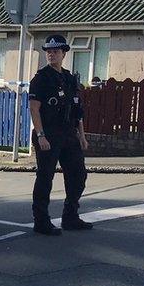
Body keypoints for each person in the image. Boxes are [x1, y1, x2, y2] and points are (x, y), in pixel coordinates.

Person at [28, 35, 92, 236]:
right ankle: (41, 221)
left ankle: (70, 216)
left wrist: (81, 136)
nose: (51, 54)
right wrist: (40, 135)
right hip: (49, 134)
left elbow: (77, 110)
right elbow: (34, 108)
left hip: (68, 134)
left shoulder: (69, 78)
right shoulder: (41, 79)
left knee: (78, 175)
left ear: (64, 53)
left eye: (55, 51)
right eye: (48, 51)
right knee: (45, 177)